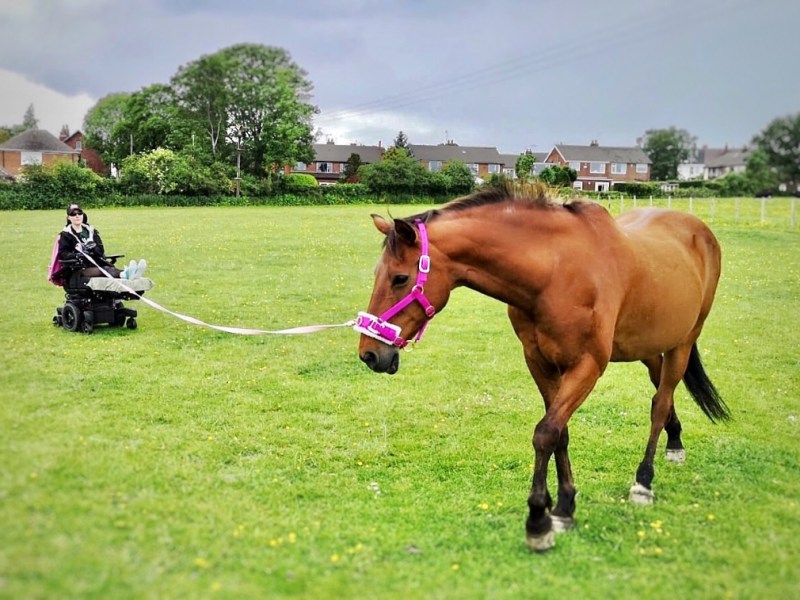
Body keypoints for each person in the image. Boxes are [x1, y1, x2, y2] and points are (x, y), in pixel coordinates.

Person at [50, 203, 146, 283]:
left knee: (108, 268)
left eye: (79, 213)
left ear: (83, 215)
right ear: (68, 218)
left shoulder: (91, 231)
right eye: (73, 214)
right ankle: (126, 274)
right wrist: (78, 254)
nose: (77, 216)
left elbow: (100, 251)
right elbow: (63, 254)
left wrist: (93, 248)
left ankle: (132, 273)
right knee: (105, 270)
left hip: (96, 263)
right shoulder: (66, 235)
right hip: (79, 268)